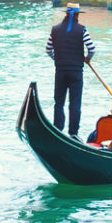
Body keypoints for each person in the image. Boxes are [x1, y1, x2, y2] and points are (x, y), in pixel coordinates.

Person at [45, 7, 96, 135]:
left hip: (60, 71)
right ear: (77, 15)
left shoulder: (55, 29)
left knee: (59, 102)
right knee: (75, 103)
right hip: (76, 72)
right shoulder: (82, 29)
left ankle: (57, 129)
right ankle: (73, 133)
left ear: (66, 14)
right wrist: (87, 59)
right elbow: (91, 48)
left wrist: (57, 59)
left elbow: (48, 50)